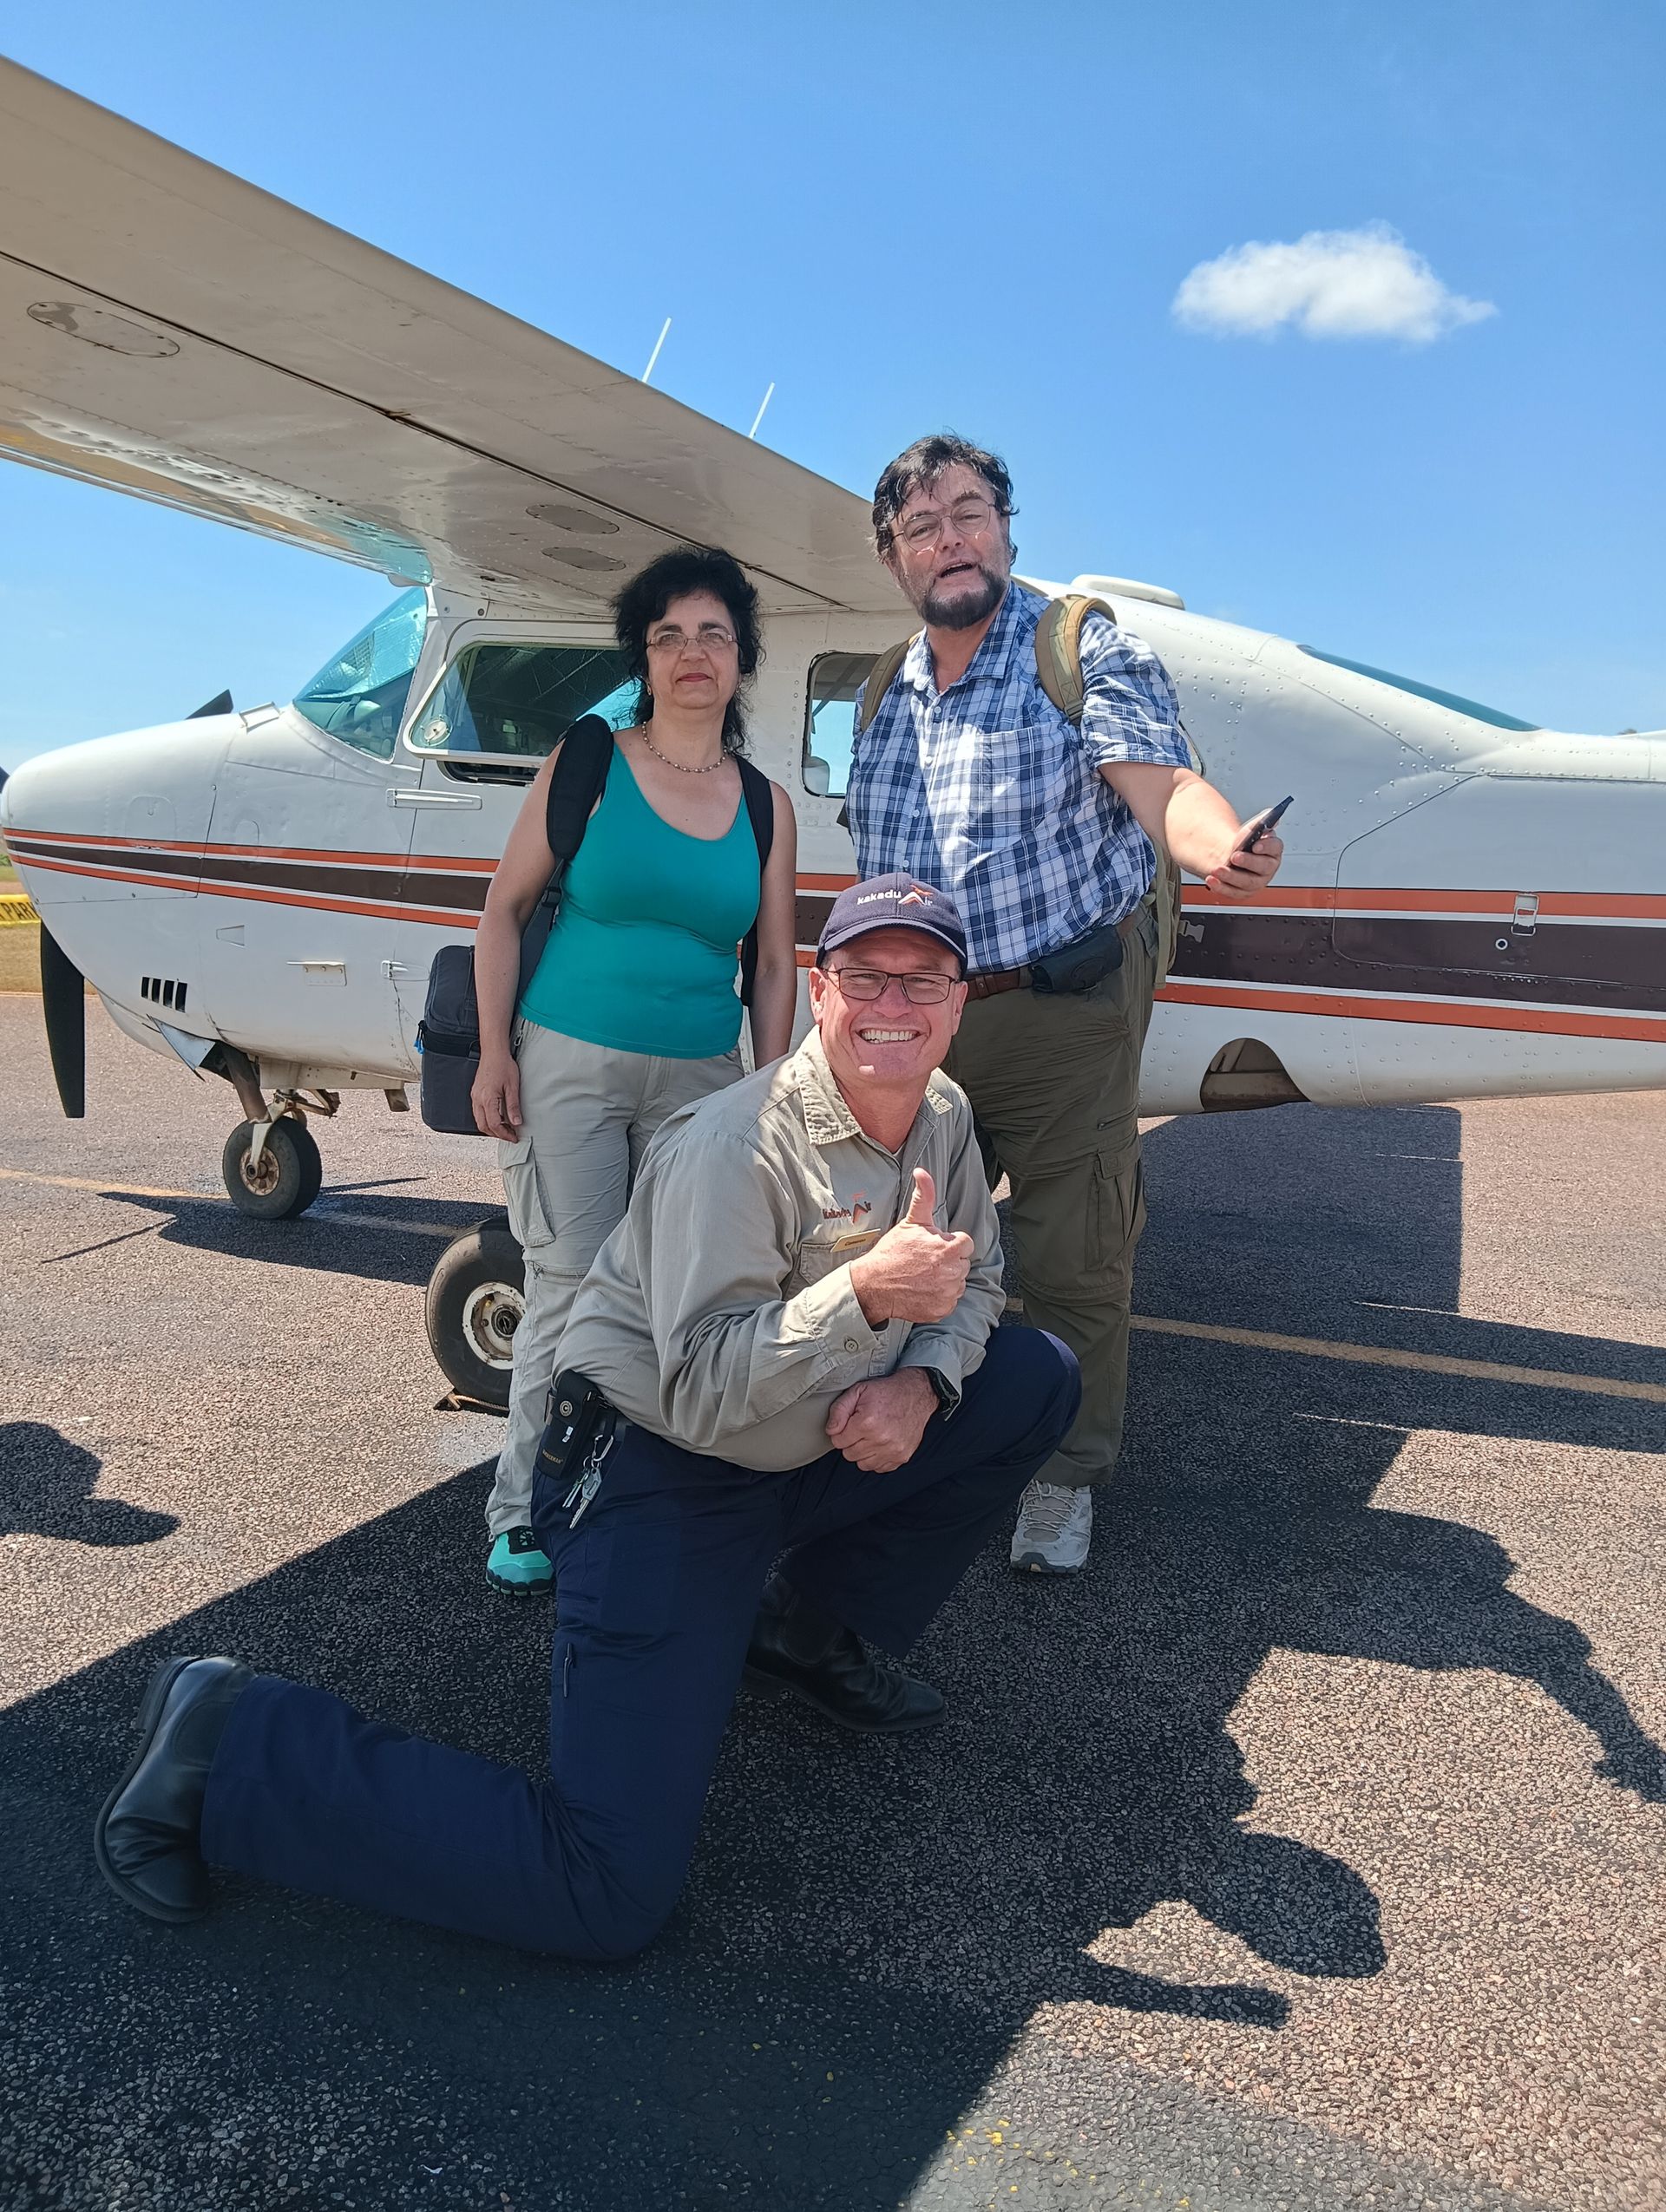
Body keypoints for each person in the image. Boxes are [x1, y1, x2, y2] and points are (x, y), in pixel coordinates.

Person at [93, 876, 1080, 1961]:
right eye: (865, 976)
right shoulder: (733, 1146)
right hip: (663, 1473)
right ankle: (227, 1741)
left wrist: (921, 1382)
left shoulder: (940, 1112)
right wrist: (867, 1298)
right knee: (603, 1887)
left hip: (806, 1439)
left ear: (958, 999)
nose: (894, 1003)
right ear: (818, 990)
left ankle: (802, 1630)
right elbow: (702, 1391)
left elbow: (977, 1282)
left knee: (1031, 1377)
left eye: (923, 978)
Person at [848, 433, 1283, 1576]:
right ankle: (908, 1427)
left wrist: (1219, 843)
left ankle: (1064, 1472)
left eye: (972, 511)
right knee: (899, 1239)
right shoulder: (882, 693)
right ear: (896, 558)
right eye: (925, 525)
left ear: (1005, 525)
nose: (954, 537)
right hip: (920, 1017)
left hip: (1056, 1009)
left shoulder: (1073, 643)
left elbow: (1162, 786)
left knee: (1070, 1254)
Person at [470, 544, 797, 1599]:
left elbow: (778, 961)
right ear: (644, 661)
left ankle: (638, 1492)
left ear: (742, 659)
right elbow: (502, 913)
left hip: (703, 1073)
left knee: (678, 1291)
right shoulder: (591, 759)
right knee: (568, 1278)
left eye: (713, 634)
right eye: (668, 637)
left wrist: (774, 1088)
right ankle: (523, 1507)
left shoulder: (764, 804)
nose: (692, 654)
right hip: (568, 1052)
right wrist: (491, 1051)